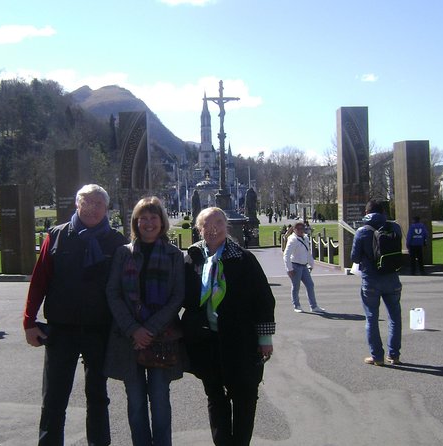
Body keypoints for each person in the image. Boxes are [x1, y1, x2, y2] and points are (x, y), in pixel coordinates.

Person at [23, 184, 127, 446]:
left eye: (98, 204)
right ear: (77, 205)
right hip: (61, 329)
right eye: (87, 203)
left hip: (99, 329)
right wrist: (29, 321)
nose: (92, 208)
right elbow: (39, 282)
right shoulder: (56, 236)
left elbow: (127, 287)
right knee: (54, 398)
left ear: (106, 208)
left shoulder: (116, 242)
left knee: (98, 396)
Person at [182, 207, 276, 446]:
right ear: (199, 229)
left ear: (226, 226)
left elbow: (263, 300)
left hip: (240, 340)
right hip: (206, 341)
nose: (213, 229)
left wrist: (264, 339)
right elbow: (181, 296)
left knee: (244, 396)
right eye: (206, 224)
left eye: (218, 223)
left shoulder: (244, 259)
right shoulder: (192, 258)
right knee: (215, 396)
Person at [105, 196, 185, 446]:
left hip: (161, 338)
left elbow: (177, 297)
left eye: (154, 218)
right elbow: (113, 293)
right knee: (136, 401)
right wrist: (134, 330)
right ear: (135, 222)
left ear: (162, 222)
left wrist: (149, 329)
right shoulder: (123, 253)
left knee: (160, 400)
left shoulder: (174, 255)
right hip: (129, 339)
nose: (149, 223)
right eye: (143, 218)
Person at [351, 199, 403, 366]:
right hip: (392, 277)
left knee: (371, 318)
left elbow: (355, 257)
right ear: (383, 212)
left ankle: (377, 356)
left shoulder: (362, 231)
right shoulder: (394, 227)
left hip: (371, 279)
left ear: (367, 213)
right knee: (395, 317)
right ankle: (394, 355)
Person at [282, 220, 325, 313]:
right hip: (295, 266)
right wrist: (289, 269)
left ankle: (314, 306)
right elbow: (286, 255)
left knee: (310, 285)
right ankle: (296, 305)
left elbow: (308, 252)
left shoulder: (305, 238)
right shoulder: (292, 240)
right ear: (294, 229)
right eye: (298, 228)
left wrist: (311, 264)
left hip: (304, 266)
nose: (301, 230)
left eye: (302, 228)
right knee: (296, 286)